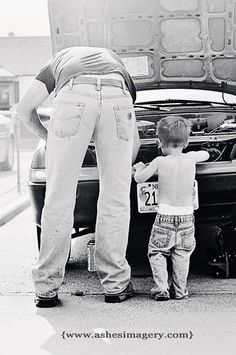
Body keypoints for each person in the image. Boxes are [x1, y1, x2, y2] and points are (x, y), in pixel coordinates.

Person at [17, 46, 140, 307]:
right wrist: (117, 165)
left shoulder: (58, 61)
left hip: (73, 95)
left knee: (58, 197)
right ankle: (116, 285)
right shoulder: (118, 66)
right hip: (117, 97)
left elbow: (24, 111)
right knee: (116, 199)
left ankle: (47, 289)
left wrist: (51, 138)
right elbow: (134, 141)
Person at [133, 116, 209, 301]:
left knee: (157, 252)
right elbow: (206, 155)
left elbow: (139, 179)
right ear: (187, 141)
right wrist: (201, 153)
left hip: (164, 217)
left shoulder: (159, 161)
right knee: (182, 254)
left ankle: (161, 288)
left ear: (159, 142)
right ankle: (180, 291)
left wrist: (139, 167)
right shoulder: (191, 158)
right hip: (186, 217)